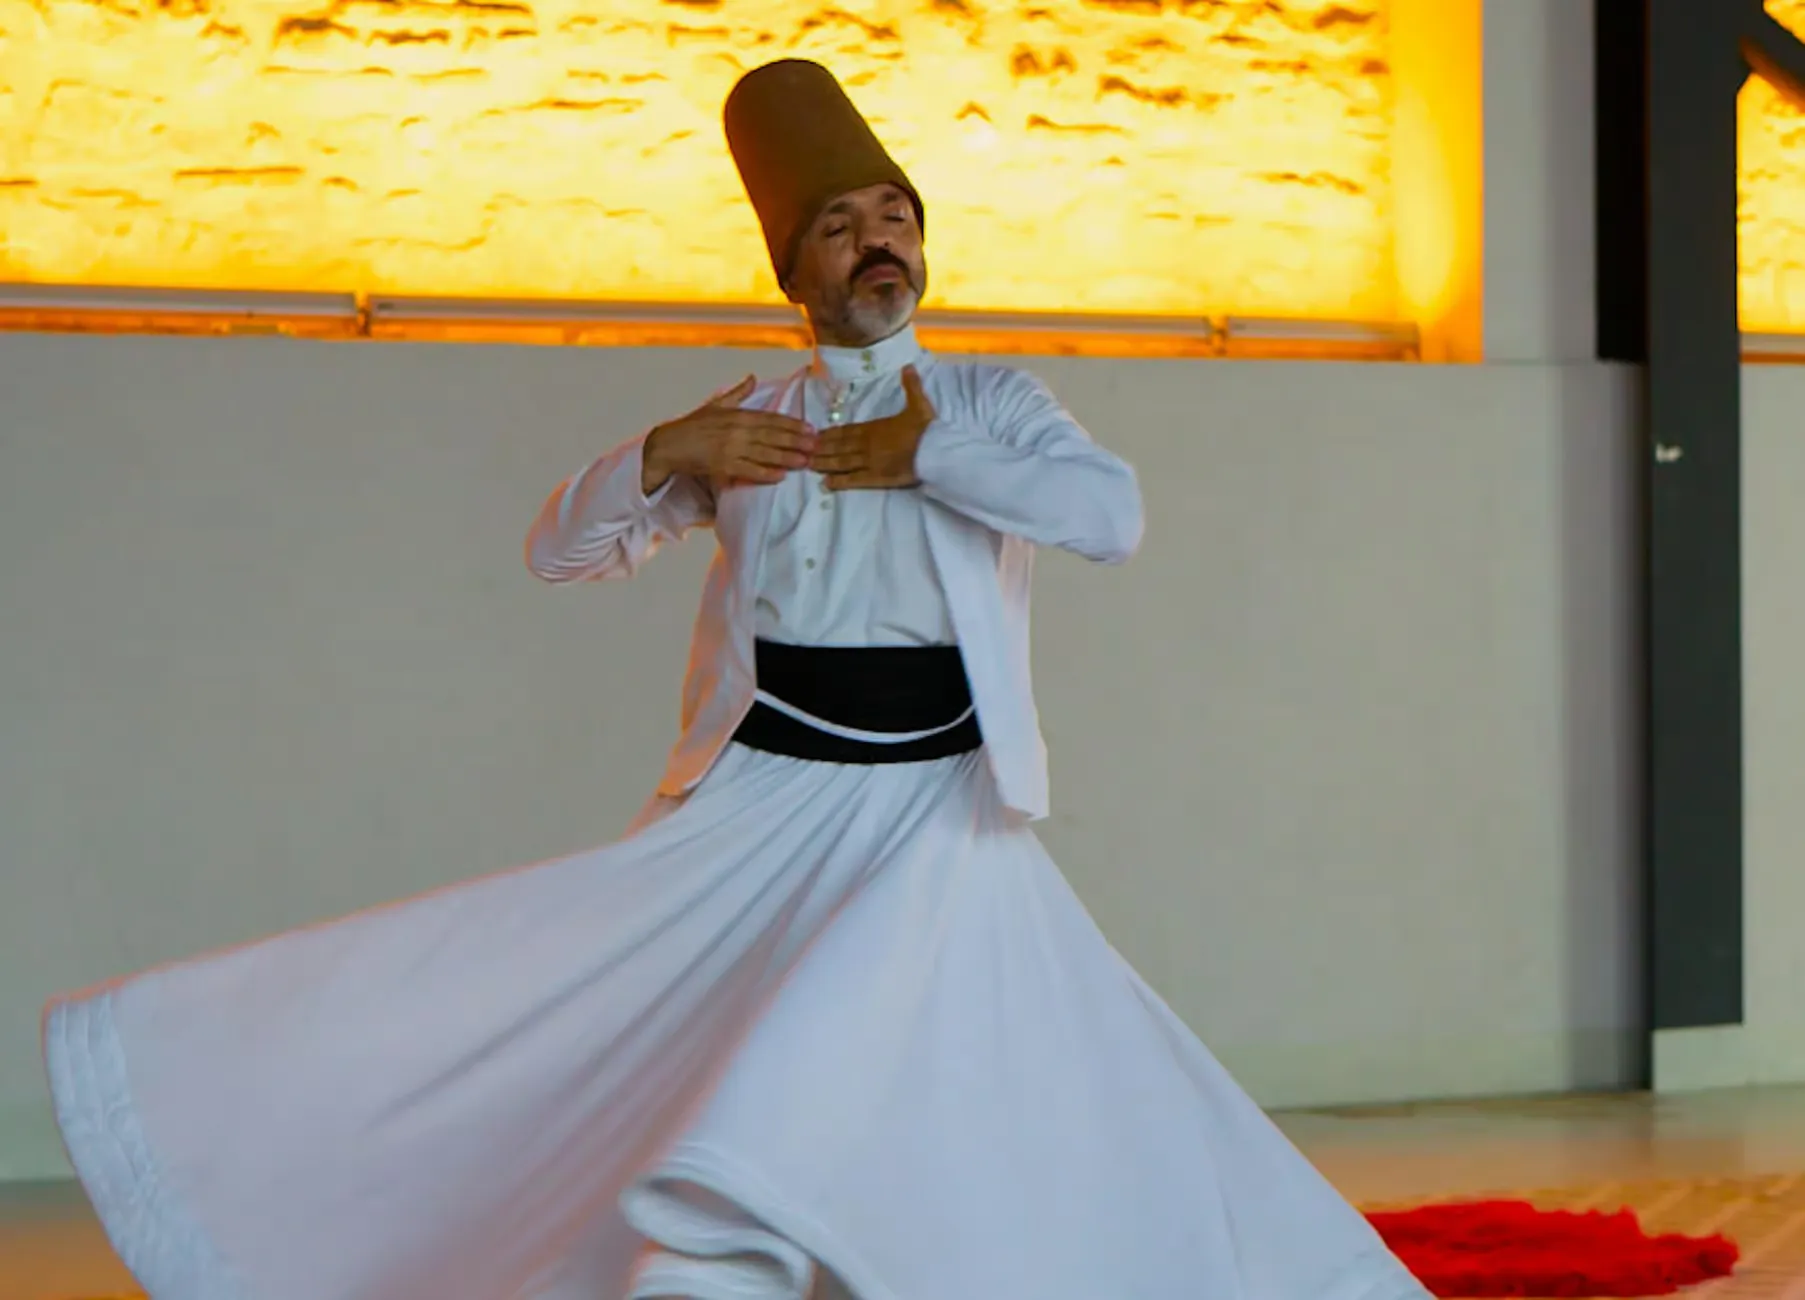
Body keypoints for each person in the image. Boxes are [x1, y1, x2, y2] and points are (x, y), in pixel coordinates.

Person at [41, 58, 1432, 1300]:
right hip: (760, 800)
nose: (876, 242)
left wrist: (926, 454)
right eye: (840, 225)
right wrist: (658, 455)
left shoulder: (994, 402)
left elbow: (1108, 518)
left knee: (914, 1099)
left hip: (939, 816)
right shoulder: (744, 423)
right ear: (793, 269)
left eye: (893, 215)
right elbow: (558, 554)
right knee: (622, 1053)